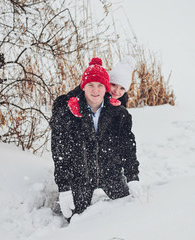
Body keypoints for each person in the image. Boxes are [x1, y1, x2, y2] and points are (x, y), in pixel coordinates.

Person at [50, 57, 141, 221]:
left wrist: (133, 177)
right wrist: (64, 188)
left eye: (100, 85)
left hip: (110, 174)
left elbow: (127, 147)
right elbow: (60, 152)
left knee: (128, 212)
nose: (95, 90)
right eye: (90, 85)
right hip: (81, 177)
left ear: (105, 88)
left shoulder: (119, 113)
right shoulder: (70, 111)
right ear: (83, 86)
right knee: (75, 218)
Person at [65, 56, 136, 107]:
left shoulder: (123, 99)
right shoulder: (94, 91)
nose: (116, 91)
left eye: (122, 88)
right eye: (113, 85)